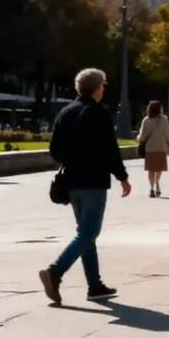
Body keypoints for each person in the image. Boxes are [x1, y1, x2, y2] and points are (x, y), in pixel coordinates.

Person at [39, 68, 131, 306]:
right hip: (93, 181)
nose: (104, 89)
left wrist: (72, 159)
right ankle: (55, 271)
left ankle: (95, 285)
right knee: (88, 233)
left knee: (85, 233)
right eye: (103, 86)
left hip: (71, 182)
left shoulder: (65, 113)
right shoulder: (98, 113)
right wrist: (122, 176)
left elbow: (54, 150)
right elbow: (110, 149)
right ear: (96, 88)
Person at [137, 100, 169, 198]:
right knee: (159, 169)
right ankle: (157, 183)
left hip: (149, 149)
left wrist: (139, 139)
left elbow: (142, 135)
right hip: (161, 148)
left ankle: (151, 188)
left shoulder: (146, 120)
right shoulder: (164, 120)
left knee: (151, 170)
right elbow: (168, 134)